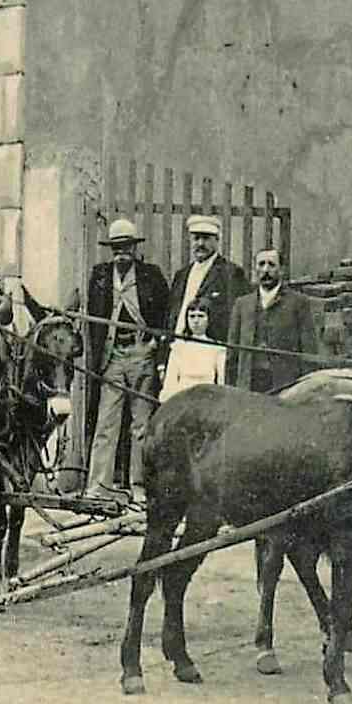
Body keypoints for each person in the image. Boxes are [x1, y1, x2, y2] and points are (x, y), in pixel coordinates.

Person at [83, 218, 170, 503]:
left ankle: (139, 486)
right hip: (111, 357)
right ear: (111, 250)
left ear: (135, 248)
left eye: (127, 247)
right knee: (106, 424)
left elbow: (165, 312)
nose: (122, 253)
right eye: (117, 248)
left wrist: (156, 343)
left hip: (141, 354)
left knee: (141, 425)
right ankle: (98, 486)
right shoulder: (99, 275)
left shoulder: (151, 275)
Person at [225, 248, 319, 393]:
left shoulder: (298, 302)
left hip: (285, 385)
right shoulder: (242, 304)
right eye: (261, 264)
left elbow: (309, 352)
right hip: (249, 384)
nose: (266, 270)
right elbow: (232, 353)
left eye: (271, 265)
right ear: (254, 269)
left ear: (281, 270)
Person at [165, 214, 249, 346]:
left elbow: (237, 318)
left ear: (217, 240)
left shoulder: (230, 272)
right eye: (196, 238)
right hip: (178, 346)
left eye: (206, 238)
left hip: (211, 349)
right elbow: (171, 315)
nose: (200, 244)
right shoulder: (181, 274)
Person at [159, 298, 225, 399]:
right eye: (192, 316)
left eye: (201, 316)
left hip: (207, 397)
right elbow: (170, 381)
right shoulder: (179, 347)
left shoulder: (217, 348)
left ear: (209, 319)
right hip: (182, 396)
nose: (196, 321)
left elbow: (221, 381)